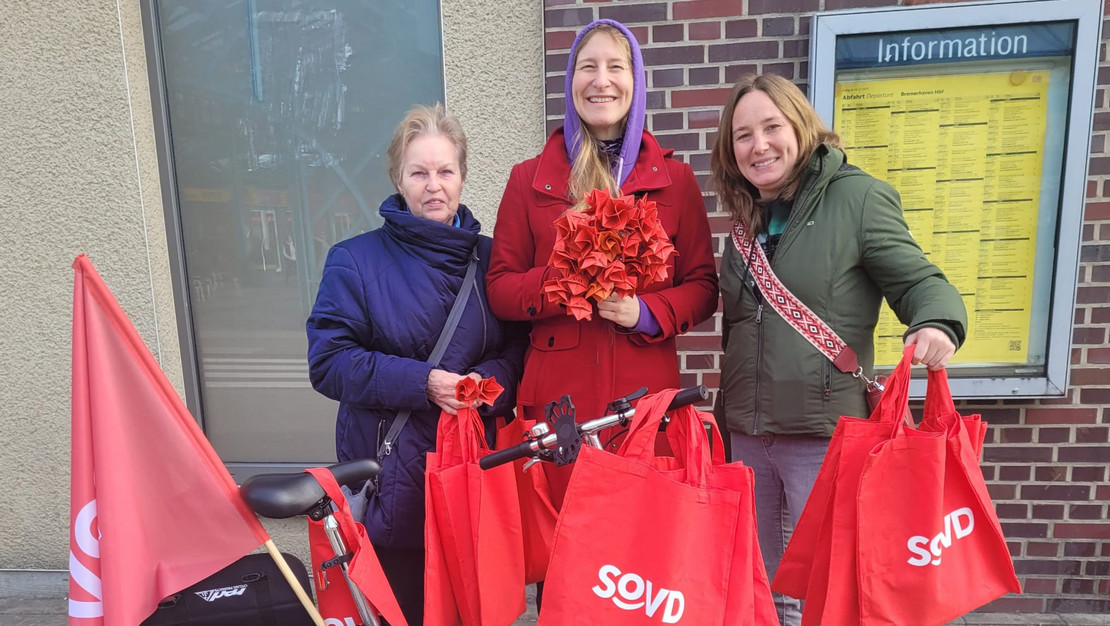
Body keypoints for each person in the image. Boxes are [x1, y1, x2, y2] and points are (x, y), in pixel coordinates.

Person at [710, 73, 968, 626]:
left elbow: (919, 280)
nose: (759, 145)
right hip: (748, 435)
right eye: (743, 135)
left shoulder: (859, 198)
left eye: (771, 127)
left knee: (828, 581)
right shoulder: (746, 221)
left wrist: (938, 322)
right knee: (759, 574)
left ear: (801, 127)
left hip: (822, 433)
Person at [306, 103, 527, 626]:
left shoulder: (495, 261)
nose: (434, 185)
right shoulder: (355, 260)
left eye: (445, 171)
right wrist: (423, 383)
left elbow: (521, 350)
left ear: (463, 177)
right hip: (393, 483)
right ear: (398, 180)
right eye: (419, 172)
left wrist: (487, 385)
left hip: (474, 476)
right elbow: (329, 362)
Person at [486, 18, 719, 506]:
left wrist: (648, 313)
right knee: (560, 549)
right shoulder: (528, 178)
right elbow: (501, 288)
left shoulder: (675, 180)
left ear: (635, 82)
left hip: (643, 399)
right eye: (587, 67)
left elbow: (702, 285)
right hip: (559, 402)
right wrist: (562, 283)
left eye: (616, 66)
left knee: (636, 550)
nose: (602, 80)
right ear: (571, 82)